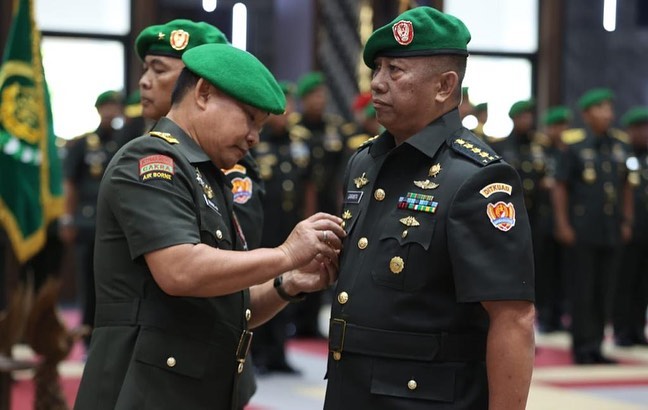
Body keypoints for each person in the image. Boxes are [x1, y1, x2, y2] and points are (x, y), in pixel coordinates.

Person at [73, 43, 345, 410]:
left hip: (193, 389)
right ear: (203, 93)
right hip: (144, 392)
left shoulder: (209, 175)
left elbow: (232, 308)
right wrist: (285, 254)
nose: (254, 137)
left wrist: (288, 283)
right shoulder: (152, 160)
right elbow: (180, 271)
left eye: (260, 126)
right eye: (249, 118)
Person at [324, 7, 535, 410]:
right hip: (352, 390)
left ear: (444, 85)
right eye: (377, 68)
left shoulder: (477, 178)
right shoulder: (364, 162)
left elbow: (513, 318)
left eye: (395, 71)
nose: (377, 83)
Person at [553, 88, 633, 364]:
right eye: (600, 108)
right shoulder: (575, 147)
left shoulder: (619, 146)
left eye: (609, 108)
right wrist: (562, 224)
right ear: (586, 114)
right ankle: (582, 347)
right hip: (582, 229)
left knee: (604, 291)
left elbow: (627, 186)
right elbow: (560, 187)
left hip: (610, 228)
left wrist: (627, 220)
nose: (607, 114)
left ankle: (597, 346)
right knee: (583, 290)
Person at [250, 81, 310, 374]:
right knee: (260, 286)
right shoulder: (254, 141)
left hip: (290, 225)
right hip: (263, 226)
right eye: (280, 109)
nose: (286, 114)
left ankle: (279, 353)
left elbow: (308, 184)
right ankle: (258, 353)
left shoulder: (297, 141)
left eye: (290, 107)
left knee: (287, 286)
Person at [60, 89, 124, 348]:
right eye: (106, 107)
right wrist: (67, 218)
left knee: (116, 284)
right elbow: (70, 184)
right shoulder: (83, 144)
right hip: (88, 224)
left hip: (118, 224)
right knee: (88, 282)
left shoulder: (124, 141)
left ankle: (113, 340)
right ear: (98, 110)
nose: (110, 112)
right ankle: (88, 340)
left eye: (114, 107)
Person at [293, 71, 345, 338]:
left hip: (329, 203)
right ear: (303, 99)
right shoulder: (295, 130)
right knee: (299, 262)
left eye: (322, 95)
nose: (319, 100)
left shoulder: (334, 128)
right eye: (313, 95)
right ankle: (293, 320)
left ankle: (311, 322)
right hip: (300, 206)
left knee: (322, 262)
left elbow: (342, 170)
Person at [612, 106, 648, 347]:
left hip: (646, 229)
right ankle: (622, 330)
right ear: (631, 131)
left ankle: (637, 329)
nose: (645, 134)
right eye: (641, 129)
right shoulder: (621, 155)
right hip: (627, 229)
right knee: (624, 281)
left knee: (643, 283)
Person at [535, 106, 572, 333]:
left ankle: (560, 314)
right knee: (545, 271)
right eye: (556, 126)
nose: (560, 130)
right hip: (542, 219)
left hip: (565, 219)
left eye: (563, 126)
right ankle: (546, 316)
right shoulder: (541, 151)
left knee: (563, 271)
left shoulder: (568, 152)